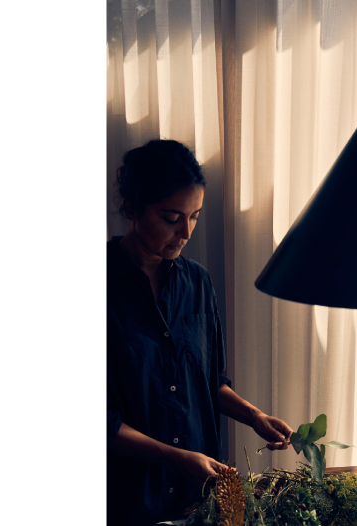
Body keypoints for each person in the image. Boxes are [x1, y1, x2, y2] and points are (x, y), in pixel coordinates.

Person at [106, 139, 293, 525]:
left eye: (194, 216)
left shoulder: (198, 283)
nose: (186, 232)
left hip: (197, 498)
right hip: (127, 499)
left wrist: (255, 416)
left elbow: (210, 382)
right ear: (132, 208)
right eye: (171, 218)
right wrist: (179, 458)